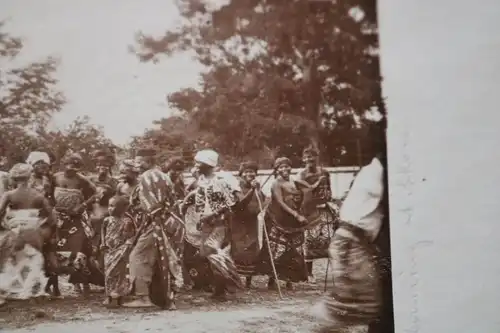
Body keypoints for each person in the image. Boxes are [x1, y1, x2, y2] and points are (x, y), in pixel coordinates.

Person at [311, 122, 387, 333]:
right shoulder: (379, 171)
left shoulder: (370, 170)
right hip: (350, 241)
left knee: (360, 302)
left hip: (351, 240)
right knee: (361, 304)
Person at [123, 147, 184, 309]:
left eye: (138, 162)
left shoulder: (146, 178)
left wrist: (143, 228)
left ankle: (144, 298)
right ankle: (168, 300)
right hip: (168, 223)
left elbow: (152, 208)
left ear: (147, 162)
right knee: (164, 260)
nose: (136, 165)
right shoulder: (163, 176)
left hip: (155, 224)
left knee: (138, 257)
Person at [181, 149, 243, 300]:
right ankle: (224, 287)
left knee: (215, 254)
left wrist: (213, 214)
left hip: (219, 223)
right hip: (206, 223)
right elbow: (201, 202)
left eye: (198, 163)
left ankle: (224, 289)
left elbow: (232, 204)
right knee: (209, 254)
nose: (195, 165)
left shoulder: (220, 181)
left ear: (207, 164)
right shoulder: (202, 181)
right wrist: (201, 217)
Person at [0, 163, 56, 305]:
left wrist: (6, 225)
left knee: (13, 259)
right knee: (33, 259)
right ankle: (32, 290)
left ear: (14, 179)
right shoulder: (38, 195)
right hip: (34, 232)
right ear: (29, 177)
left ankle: (16, 289)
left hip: (15, 231)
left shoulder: (9, 195)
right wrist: (39, 225)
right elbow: (51, 217)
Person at [52, 152, 103, 296]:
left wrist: (82, 205)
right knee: (57, 249)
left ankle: (82, 282)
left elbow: (96, 194)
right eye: (69, 166)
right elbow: (48, 196)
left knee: (80, 249)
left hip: (76, 219)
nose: (71, 169)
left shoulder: (82, 180)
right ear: (64, 164)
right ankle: (57, 286)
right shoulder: (55, 177)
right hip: (59, 219)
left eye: (75, 167)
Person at [297, 146, 338, 283]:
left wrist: (328, 197)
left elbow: (330, 190)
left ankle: (335, 272)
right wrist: (316, 183)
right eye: (307, 157)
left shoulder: (325, 172)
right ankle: (309, 274)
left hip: (325, 210)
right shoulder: (301, 175)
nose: (310, 159)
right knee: (310, 241)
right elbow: (303, 193)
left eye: (312, 157)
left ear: (316, 158)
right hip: (310, 211)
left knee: (329, 238)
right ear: (303, 159)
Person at [231, 161, 266, 288]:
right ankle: (235, 279)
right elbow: (241, 204)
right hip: (238, 223)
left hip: (251, 222)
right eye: (246, 171)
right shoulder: (236, 186)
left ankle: (248, 282)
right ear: (241, 174)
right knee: (238, 249)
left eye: (252, 171)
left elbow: (261, 202)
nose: (249, 174)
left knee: (252, 249)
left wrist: (258, 192)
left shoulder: (256, 187)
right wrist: (252, 189)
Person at [100, 195, 136, 307]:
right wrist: (103, 243)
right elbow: (103, 231)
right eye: (109, 206)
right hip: (109, 251)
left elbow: (130, 236)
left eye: (112, 206)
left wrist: (127, 245)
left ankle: (119, 295)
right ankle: (109, 296)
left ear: (121, 208)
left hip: (120, 250)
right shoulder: (107, 220)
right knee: (108, 273)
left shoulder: (127, 221)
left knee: (120, 273)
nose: (110, 209)